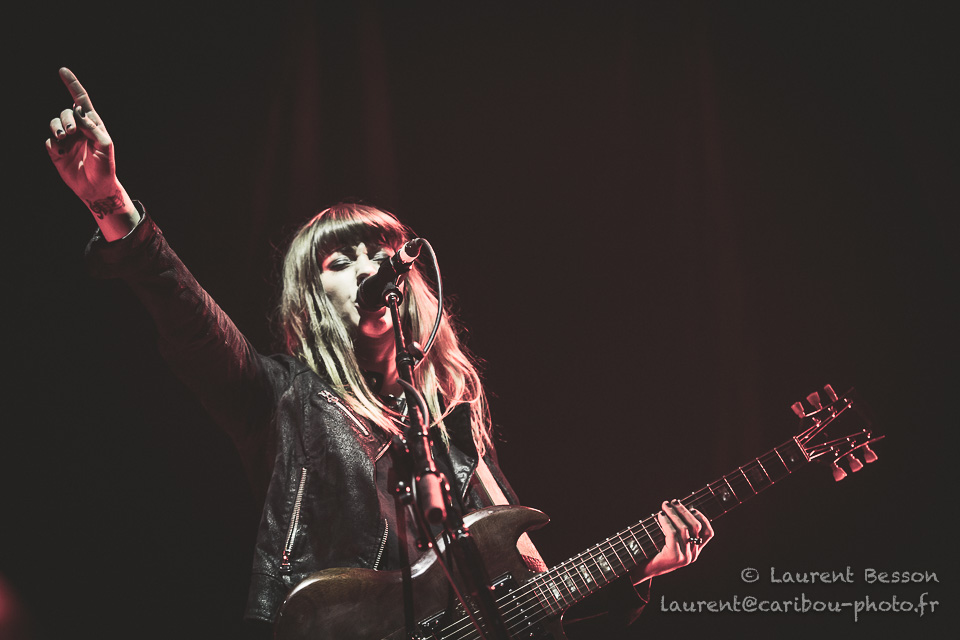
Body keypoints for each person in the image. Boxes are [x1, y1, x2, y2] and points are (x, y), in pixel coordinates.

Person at [46, 67, 715, 637]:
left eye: (380, 250)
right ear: (312, 301)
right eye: (341, 260)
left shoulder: (449, 425)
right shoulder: (282, 399)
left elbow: (522, 605)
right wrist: (113, 206)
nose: (369, 264)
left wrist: (638, 571)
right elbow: (193, 325)